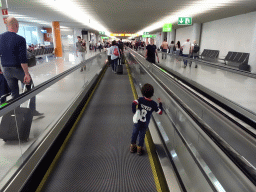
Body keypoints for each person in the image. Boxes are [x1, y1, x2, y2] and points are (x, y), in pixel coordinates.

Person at [0, 17, 42, 116]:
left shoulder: (0, 38)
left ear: (7, 25)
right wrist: (26, 74)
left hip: (6, 70)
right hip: (17, 69)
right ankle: (32, 111)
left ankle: (17, 113)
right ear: (16, 26)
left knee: (14, 93)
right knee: (30, 87)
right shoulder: (20, 39)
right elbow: (23, 59)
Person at [130, 83, 163, 155]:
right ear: (152, 94)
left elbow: (134, 103)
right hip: (145, 123)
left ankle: (132, 146)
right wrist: (160, 104)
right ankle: (139, 149)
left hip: (137, 121)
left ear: (142, 93)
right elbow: (160, 112)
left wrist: (134, 111)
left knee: (135, 133)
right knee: (142, 135)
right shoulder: (153, 104)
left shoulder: (140, 99)